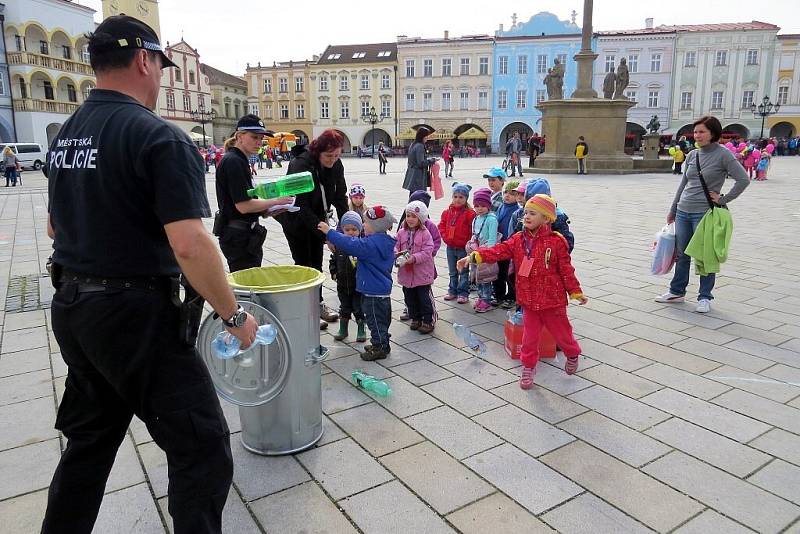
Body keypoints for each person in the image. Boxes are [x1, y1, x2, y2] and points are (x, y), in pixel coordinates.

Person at [41, 15, 260, 534]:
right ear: (145, 59)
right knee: (203, 448)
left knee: (90, 446)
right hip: (134, 318)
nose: (161, 76)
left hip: (74, 308)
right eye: (160, 65)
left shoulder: (68, 132)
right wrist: (232, 315)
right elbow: (189, 245)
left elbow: (55, 226)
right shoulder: (158, 136)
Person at [457, 194, 587, 389]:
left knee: (563, 334)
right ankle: (528, 367)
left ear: (546, 218)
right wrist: (475, 256)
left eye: (532, 213)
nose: (526, 216)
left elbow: (566, 269)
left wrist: (575, 291)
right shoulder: (518, 239)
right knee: (529, 338)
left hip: (553, 301)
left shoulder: (556, 242)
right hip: (528, 300)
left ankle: (572, 353)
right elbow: (498, 251)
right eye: (525, 212)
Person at [656, 116, 750, 313]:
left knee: (705, 255)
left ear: (713, 133)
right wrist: (673, 209)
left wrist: (723, 199)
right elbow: (683, 184)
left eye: (701, 132)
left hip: (704, 212)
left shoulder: (724, 155)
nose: (697, 135)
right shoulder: (692, 155)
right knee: (682, 254)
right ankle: (676, 291)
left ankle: (705, 297)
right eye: (696, 131)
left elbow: (743, 179)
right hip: (683, 211)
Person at [275, 129, 349, 329]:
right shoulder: (300, 165)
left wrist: (349, 225)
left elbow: (340, 195)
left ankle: (316, 304)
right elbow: (301, 206)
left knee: (316, 265)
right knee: (304, 264)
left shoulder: (336, 165)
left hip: (319, 218)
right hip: (296, 220)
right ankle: (306, 312)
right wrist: (327, 236)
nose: (333, 160)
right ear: (318, 152)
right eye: (328, 156)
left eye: (337, 155)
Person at [215, 115, 293, 273]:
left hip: (241, 234)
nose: (259, 142)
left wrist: (266, 211)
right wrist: (276, 201)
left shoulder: (238, 159)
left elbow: (242, 202)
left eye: (261, 138)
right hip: (239, 237)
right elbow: (243, 205)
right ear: (239, 136)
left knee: (249, 282)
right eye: (254, 137)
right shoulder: (234, 161)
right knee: (248, 286)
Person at [318, 206, 396, 361]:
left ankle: (379, 347)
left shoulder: (369, 245)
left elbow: (349, 243)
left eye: (366, 222)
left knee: (374, 321)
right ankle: (383, 342)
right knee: (381, 319)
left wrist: (330, 232)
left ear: (375, 226)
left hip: (372, 292)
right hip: (381, 291)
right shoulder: (384, 241)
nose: (364, 225)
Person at [398, 190, 442, 322]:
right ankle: (415, 318)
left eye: (414, 216)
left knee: (424, 297)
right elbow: (396, 243)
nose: (410, 219)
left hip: (422, 270)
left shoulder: (427, 230)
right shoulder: (402, 230)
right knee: (409, 296)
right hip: (407, 271)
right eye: (408, 215)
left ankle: (429, 319)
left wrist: (420, 257)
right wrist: (395, 253)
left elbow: (432, 246)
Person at [330, 211, 367, 342]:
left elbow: (366, 263)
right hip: (342, 284)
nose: (351, 232)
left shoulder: (361, 246)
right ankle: (343, 329)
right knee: (344, 308)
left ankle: (361, 329)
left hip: (357, 285)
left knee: (358, 308)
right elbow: (333, 260)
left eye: (354, 229)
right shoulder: (339, 246)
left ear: (360, 230)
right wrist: (333, 272)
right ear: (342, 230)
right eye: (347, 230)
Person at [438, 182, 475, 304]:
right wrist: (445, 236)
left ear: (466, 198)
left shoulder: (470, 214)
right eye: (455, 196)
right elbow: (442, 226)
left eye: (461, 197)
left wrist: (469, 242)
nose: (458, 199)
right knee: (452, 271)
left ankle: (463, 292)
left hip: (463, 248)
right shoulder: (447, 212)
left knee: (463, 271)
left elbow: (473, 229)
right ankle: (452, 290)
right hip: (450, 246)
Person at [468, 188, 499, 312]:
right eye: (476, 206)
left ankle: (487, 299)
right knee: (478, 276)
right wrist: (472, 244)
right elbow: (474, 234)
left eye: (482, 206)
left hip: (486, 252)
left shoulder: (491, 219)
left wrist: (487, 252)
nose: (479, 208)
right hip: (477, 251)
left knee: (486, 277)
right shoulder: (476, 218)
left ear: (488, 206)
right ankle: (481, 297)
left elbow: (492, 239)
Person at [494, 180, 520, 309]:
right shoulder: (501, 206)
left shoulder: (517, 210)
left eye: (512, 193)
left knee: (509, 273)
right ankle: (498, 295)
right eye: (506, 193)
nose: (507, 196)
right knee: (498, 272)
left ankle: (511, 296)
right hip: (500, 244)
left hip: (510, 246)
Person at [402, 126, 433, 195]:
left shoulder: (413, 144)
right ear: (423, 136)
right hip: (418, 177)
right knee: (418, 197)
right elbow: (421, 163)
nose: (428, 137)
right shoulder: (420, 146)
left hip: (412, 174)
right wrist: (432, 160)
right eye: (427, 136)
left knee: (413, 196)